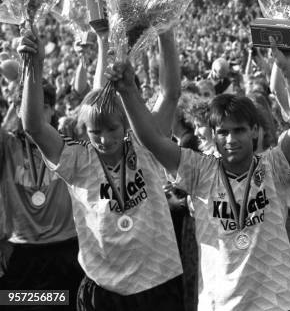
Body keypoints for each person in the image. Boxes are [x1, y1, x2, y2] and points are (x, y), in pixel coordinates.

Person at [106, 39, 290, 311]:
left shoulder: (273, 166)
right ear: (213, 135)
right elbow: (152, 140)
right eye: (223, 132)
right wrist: (128, 93)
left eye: (238, 130)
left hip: (278, 302)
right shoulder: (199, 170)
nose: (230, 139)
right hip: (220, 304)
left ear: (253, 130)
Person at [19, 29, 184, 311]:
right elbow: (34, 126)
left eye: (112, 129)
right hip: (104, 289)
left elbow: (170, 95)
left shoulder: (147, 146)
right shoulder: (78, 160)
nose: (104, 139)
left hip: (158, 282)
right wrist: (33, 64)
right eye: (95, 132)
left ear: (127, 123)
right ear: (85, 129)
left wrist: (166, 34)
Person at [0, 79, 83, 311]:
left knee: (66, 304)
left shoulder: (66, 140)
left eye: (43, 106)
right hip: (22, 254)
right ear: (17, 109)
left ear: (53, 109)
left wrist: (99, 45)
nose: (36, 113)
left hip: (65, 251)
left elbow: (90, 97)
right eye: (29, 106)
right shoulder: (6, 145)